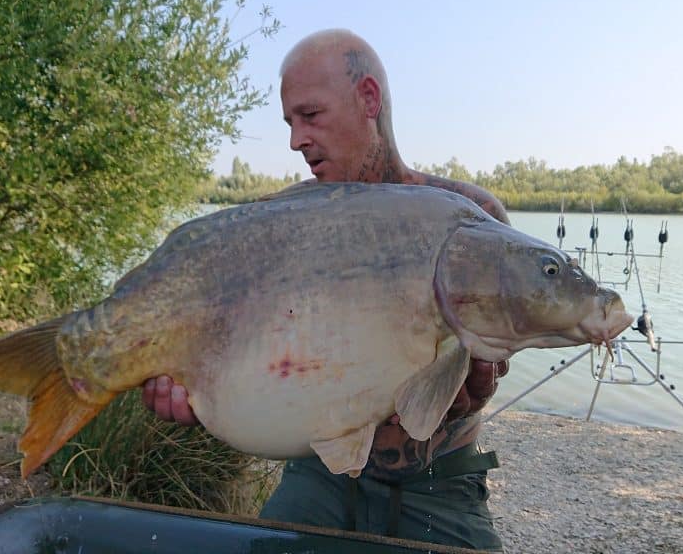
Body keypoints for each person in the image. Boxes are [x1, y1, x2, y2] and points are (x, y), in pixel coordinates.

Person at [142, 29, 511, 551]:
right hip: (319, 475)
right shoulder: (282, 222)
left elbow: (488, 377)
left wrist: (467, 383)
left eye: (309, 116)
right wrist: (196, 389)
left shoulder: (474, 219)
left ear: (367, 99)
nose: (296, 140)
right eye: (290, 123)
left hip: (441, 484)